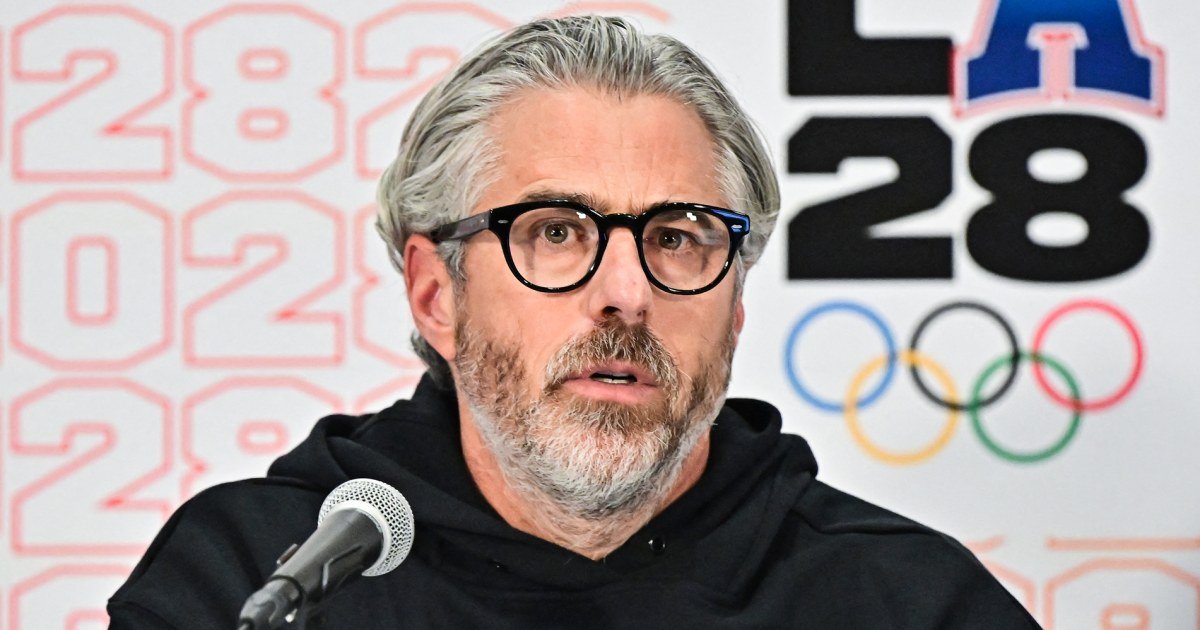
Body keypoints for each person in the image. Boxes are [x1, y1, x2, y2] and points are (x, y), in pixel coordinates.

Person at [109, 15, 1039, 628]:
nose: (627, 292)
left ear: (735, 305)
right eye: (556, 231)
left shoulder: (906, 603)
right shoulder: (254, 580)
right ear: (436, 295)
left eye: (676, 238)